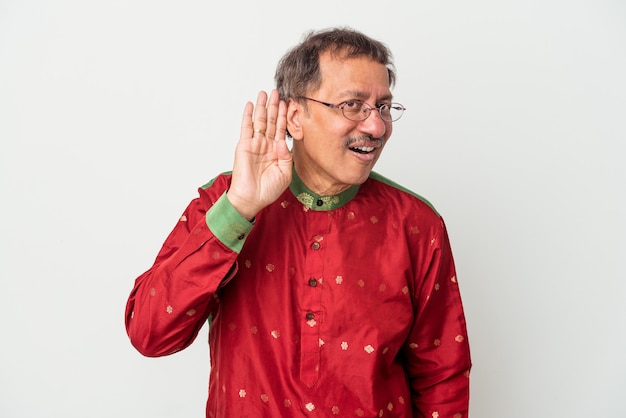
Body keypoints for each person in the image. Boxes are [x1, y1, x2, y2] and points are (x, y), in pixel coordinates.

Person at [125, 27, 471, 418]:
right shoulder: (225, 198)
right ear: (295, 116)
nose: (376, 127)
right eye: (353, 105)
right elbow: (149, 334)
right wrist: (239, 209)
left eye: (384, 107)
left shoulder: (416, 224)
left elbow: (443, 375)